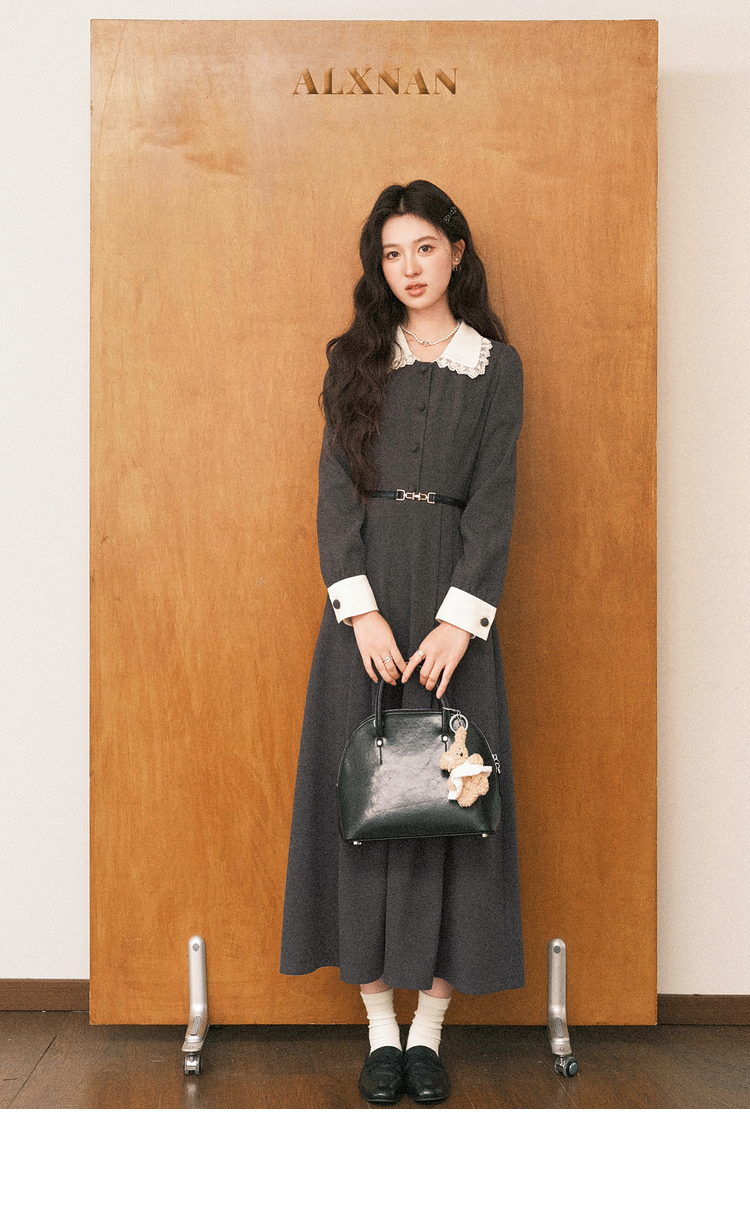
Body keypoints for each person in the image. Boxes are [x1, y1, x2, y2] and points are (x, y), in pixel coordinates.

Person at [280, 180, 524, 1105]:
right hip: (367, 616)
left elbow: (495, 499)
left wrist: (460, 620)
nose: (409, 268)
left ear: (456, 250)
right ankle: (380, 1029)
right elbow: (333, 493)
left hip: (458, 619)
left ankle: (429, 1033)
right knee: (365, 806)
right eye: (392, 253)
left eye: (424, 247)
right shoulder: (354, 359)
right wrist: (363, 611)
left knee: (456, 807)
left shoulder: (496, 369)